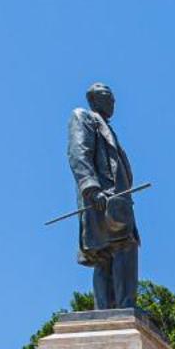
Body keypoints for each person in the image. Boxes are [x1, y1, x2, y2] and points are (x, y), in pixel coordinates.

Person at [65, 82, 141, 311]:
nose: (113, 102)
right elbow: (79, 153)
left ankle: (112, 309)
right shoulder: (83, 117)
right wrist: (91, 188)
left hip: (117, 200)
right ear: (95, 99)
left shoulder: (107, 127)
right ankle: (120, 306)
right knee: (117, 249)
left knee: (115, 251)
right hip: (102, 199)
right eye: (108, 97)